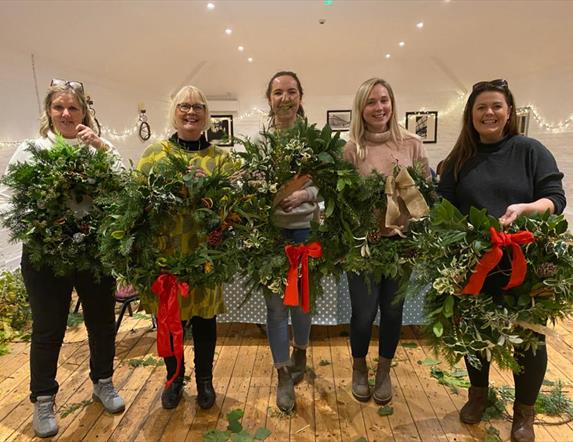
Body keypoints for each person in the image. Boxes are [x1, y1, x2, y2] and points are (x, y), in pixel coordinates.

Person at [438, 79, 566, 442]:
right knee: (476, 335)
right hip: (475, 263)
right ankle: (479, 395)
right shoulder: (459, 158)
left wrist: (527, 209)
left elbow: (554, 198)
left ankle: (524, 414)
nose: (489, 113)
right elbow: (442, 204)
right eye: (481, 107)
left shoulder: (530, 150)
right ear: (471, 115)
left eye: (496, 106)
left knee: (528, 339)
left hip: (525, 262)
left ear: (509, 111)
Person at [0, 80, 125, 438]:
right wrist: (35, 225)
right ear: (49, 112)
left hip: (93, 252)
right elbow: (9, 195)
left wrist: (102, 147)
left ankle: (103, 381)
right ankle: (43, 398)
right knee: (48, 328)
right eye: (59, 108)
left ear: (85, 111)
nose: (66, 114)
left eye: (73, 108)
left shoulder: (99, 149)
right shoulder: (32, 149)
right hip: (45, 254)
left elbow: (124, 185)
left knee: (101, 323)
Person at [137, 85, 231, 411]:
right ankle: (174, 379)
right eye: (184, 106)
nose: (191, 112)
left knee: (204, 322)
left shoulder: (221, 159)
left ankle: (205, 380)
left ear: (206, 115)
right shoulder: (154, 155)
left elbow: (233, 207)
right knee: (170, 321)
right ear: (174, 112)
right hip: (167, 258)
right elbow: (137, 204)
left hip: (205, 258)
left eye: (197, 107)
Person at [343, 78, 430, 404]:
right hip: (364, 245)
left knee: (393, 314)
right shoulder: (351, 148)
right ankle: (359, 366)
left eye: (384, 100)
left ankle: (384, 370)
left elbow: (425, 193)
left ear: (392, 103)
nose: (379, 108)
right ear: (361, 108)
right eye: (371, 102)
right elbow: (342, 201)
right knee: (363, 314)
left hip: (401, 244)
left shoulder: (411, 143)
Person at [260, 71, 319, 412]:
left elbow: (324, 181)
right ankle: (283, 373)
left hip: (306, 233)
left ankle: (301, 351)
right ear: (269, 99)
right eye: (278, 92)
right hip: (271, 236)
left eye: (291, 91)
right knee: (276, 307)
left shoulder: (313, 140)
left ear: (300, 96)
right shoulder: (262, 142)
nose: (285, 98)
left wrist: (303, 195)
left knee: (303, 303)